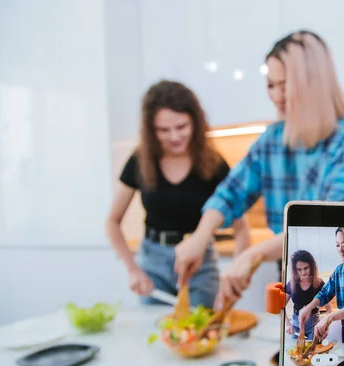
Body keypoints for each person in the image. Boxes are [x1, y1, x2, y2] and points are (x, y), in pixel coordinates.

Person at [173, 30, 344, 308]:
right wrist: (200, 237)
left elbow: (322, 222)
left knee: (337, 342)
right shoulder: (273, 139)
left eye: (285, 85)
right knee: (300, 343)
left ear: (313, 84)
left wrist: (252, 255)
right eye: (270, 85)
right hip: (294, 269)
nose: (276, 96)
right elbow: (231, 192)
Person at [105, 80, 250, 308]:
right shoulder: (140, 161)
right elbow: (112, 222)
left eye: (181, 127)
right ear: (151, 130)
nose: (174, 136)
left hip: (200, 264)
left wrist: (235, 272)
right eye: (163, 130)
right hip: (152, 262)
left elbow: (241, 228)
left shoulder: (212, 163)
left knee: (200, 333)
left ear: (195, 122)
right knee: (155, 334)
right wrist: (132, 269)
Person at [298, 227, 344, 345]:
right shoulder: (339, 270)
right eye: (337, 245)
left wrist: (329, 318)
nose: (340, 250)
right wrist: (308, 308)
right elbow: (325, 293)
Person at [284, 250, 330, 340]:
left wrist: (325, 324)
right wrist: (288, 324)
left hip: (314, 324)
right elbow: (281, 306)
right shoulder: (292, 284)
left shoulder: (319, 283)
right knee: (296, 351)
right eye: (299, 270)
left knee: (314, 351)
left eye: (306, 268)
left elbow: (329, 309)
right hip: (296, 325)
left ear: (312, 267)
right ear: (295, 270)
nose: (303, 272)